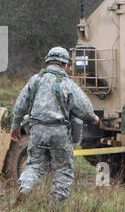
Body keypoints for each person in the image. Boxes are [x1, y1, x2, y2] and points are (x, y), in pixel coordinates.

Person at [11, 47, 99, 203]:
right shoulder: (67, 83)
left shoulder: (35, 80)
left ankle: (25, 188)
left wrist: (15, 126)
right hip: (58, 132)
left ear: (48, 62)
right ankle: (55, 205)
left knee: (34, 164)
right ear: (65, 65)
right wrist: (93, 118)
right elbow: (84, 108)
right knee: (63, 169)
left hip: (37, 131)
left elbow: (19, 106)